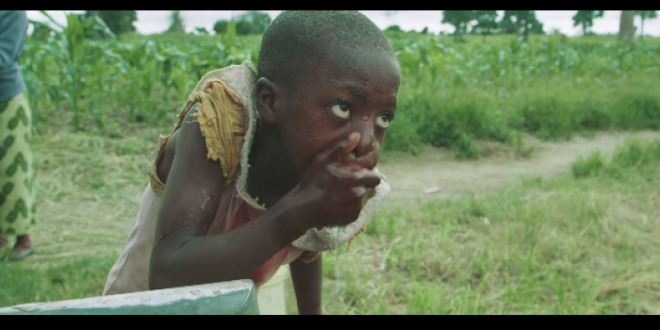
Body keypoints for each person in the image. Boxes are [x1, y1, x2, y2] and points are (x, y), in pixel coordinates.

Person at [103, 11, 400, 315]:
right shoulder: (218, 126)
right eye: (343, 107)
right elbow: (166, 276)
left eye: (383, 117)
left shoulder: (310, 162)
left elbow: (306, 243)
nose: (367, 141)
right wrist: (297, 213)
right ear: (270, 101)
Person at [0, 10, 36, 261]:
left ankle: (23, 236)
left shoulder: (12, 13)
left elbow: (4, 56)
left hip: (6, 102)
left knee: (11, 170)